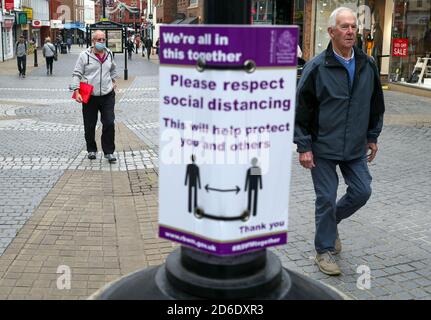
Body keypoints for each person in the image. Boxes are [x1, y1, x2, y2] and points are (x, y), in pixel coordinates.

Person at [294, 7, 385, 276]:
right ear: (331, 32)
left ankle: (330, 223)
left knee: (362, 191)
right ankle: (324, 251)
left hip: (355, 146)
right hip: (323, 147)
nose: (350, 32)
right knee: (325, 197)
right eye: (344, 27)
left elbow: (375, 104)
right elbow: (301, 111)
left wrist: (372, 136)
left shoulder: (367, 64)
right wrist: (304, 146)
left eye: (353, 27)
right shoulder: (316, 68)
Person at [70, 30, 118, 163]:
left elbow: (113, 68)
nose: (102, 42)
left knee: (109, 122)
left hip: (107, 94)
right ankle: (91, 149)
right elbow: (76, 74)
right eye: (99, 40)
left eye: (103, 39)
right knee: (90, 124)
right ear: (93, 41)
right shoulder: (84, 55)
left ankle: (109, 152)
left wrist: (114, 81)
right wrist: (76, 91)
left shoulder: (109, 53)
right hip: (90, 95)